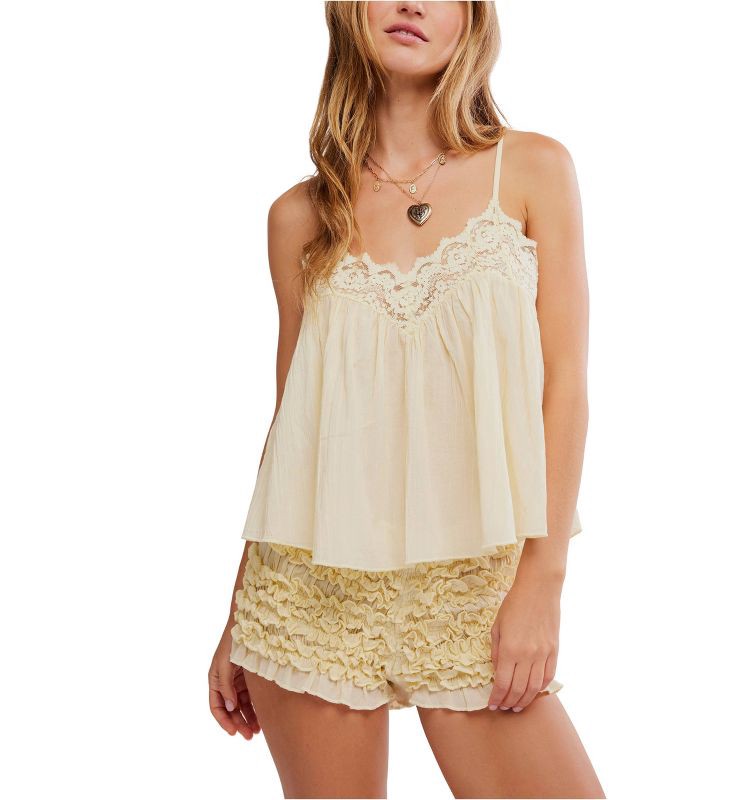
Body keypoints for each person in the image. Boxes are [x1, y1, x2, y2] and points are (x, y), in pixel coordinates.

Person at [209, 2, 604, 797]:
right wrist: (238, 611)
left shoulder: (531, 171)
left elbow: (565, 385)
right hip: (309, 592)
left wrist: (543, 581)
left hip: (475, 589)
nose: (412, 3)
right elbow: (293, 426)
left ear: (472, 20)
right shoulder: (299, 217)